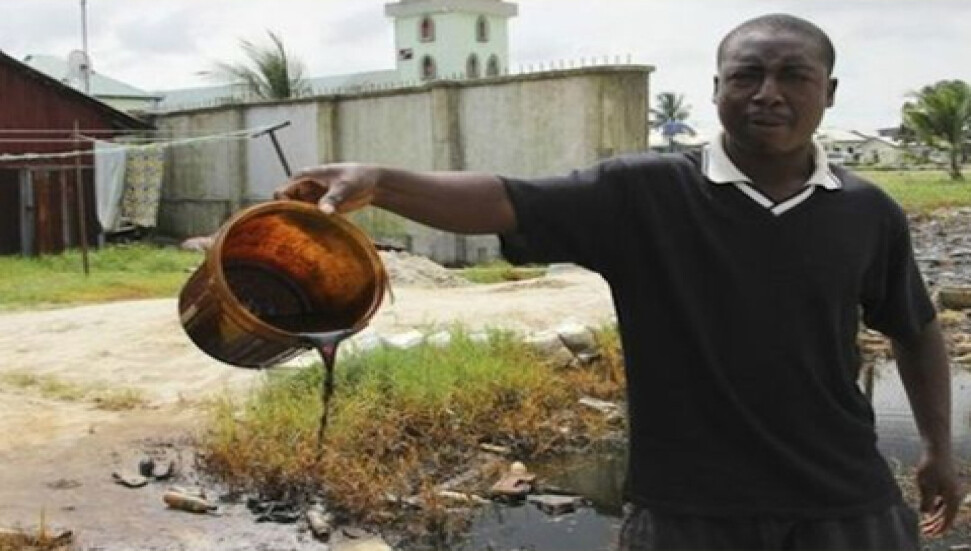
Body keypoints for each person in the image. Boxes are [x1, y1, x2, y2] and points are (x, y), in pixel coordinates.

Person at [276, 13, 964, 550]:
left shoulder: (864, 210)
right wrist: (382, 181)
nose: (767, 93)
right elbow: (504, 198)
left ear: (828, 91)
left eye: (793, 75)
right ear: (716, 88)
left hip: (843, 503)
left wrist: (936, 447)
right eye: (745, 75)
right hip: (686, 511)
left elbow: (913, 327)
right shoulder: (643, 193)